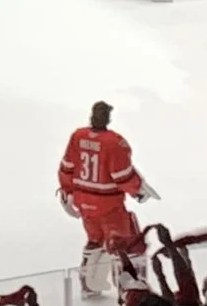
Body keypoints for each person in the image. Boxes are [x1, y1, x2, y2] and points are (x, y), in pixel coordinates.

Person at [58, 100, 152, 294]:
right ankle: (131, 291)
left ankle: (89, 285)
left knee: (95, 239)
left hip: (84, 203)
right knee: (127, 243)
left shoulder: (78, 136)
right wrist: (138, 191)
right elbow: (122, 175)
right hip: (109, 206)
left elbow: (67, 167)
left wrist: (67, 192)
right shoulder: (115, 142)